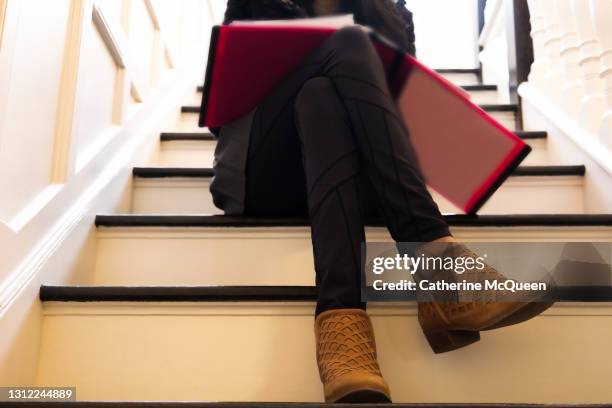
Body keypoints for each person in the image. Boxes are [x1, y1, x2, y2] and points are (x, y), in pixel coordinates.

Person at [209, 0, 552, 403]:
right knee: (345, 45)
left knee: (322, 95)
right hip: (267, 168)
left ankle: (343, 330)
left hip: (360, 169)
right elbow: (227, 97)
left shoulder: (391, 8)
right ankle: (436, 259)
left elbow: (399, 94)